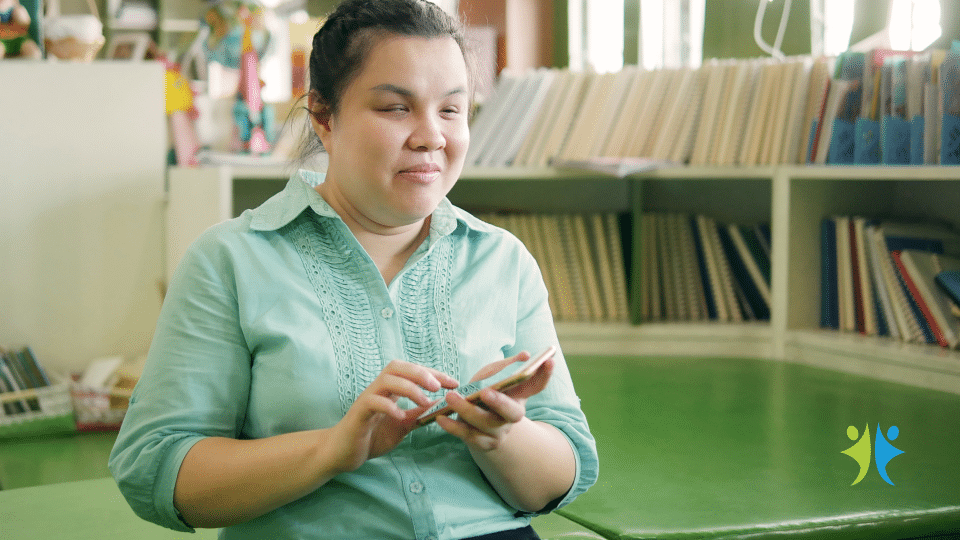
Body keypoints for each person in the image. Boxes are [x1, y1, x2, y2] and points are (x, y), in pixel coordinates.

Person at [109, 0, 598, 538]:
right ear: (322, 115)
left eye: (452, 110)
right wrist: (332, 449)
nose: (431, 135)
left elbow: (560, 476)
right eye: (395, 108)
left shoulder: (503, 260)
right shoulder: (230, 261)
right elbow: (156, 468)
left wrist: (500, 435)